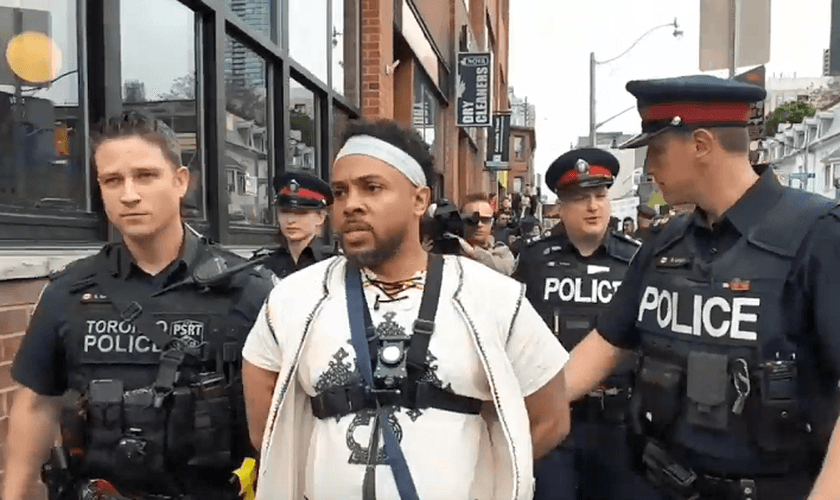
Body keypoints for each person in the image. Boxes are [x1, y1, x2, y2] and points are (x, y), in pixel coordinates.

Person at [241, 119, 571, 500]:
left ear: (419, 200)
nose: (351, 205)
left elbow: (550, 419)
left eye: (372, 188)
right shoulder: (293, 299)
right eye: (341, 192)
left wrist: (487, 481)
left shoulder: (493, 298)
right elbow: (266, 423)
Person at [563, 74, 840, 500]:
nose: (650, 168)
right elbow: (604, 346)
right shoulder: (665, 243)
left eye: (657, 150)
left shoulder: (817, 236)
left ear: (701, 144)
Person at [3, 111, 275, 500]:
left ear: (180, 181)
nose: (128, 194)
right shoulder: (68, 292)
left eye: (145, 176)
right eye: (112, 180)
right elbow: (35, 405)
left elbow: (279, 423)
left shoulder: (248, 291)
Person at [513, 148, 650, 500]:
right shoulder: (534, 261)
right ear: (560, 205)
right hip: (556, 423)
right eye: (581, 198)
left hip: (619, 426)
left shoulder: (635, 260)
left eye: (600, 195)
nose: (593, 206)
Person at [252, 171, 337, 279]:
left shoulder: (334, 264)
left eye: (301, 213)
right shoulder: (263, 262)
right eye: (285, 212)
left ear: (320, 217)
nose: (291, 220)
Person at [456, 193, 516, 275]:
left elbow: (505, 269)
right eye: (471, 220)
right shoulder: (453, 249)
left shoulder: (502, 252)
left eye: (485, 220)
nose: (479, 224)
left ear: (492, 223)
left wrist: (473, 252)